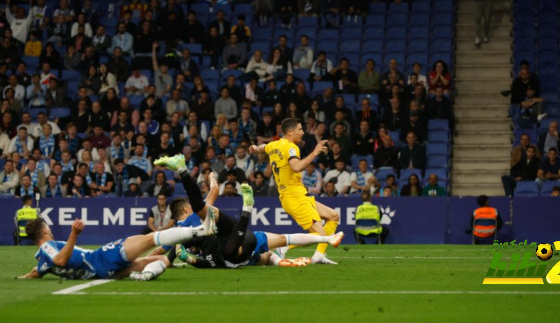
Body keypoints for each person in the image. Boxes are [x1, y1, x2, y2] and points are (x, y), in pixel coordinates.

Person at [153, 157, 344, 268]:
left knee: (261, 254)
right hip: (234, 234)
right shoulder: (198, 212)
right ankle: (323, 240)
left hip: (229, 250)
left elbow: (161, 250)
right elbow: (214, 192)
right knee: (283, 239)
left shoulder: (179, 233)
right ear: (185, 209)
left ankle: (280, 257)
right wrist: (212, 178)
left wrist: (143, 260)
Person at [17, 202, 217, 280]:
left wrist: (21, 278)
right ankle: (200, 231)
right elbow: (60, 260)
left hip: (102, 272)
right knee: (150, 239)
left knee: (163, 261)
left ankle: (146, 275)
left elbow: (36, 272)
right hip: (101, 259)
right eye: (47, 226)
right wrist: (74, 235)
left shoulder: (42, 261)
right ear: (44, 229)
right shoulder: (47, 247)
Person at [249, 118, 341, 264]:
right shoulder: (291, 148)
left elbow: (263, 147)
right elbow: (296, 167)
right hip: (294, 196)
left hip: (296, 195)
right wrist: (315, 152)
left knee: (333, 216)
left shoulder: (274, 145)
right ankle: (314, 254)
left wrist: (255, 147)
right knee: (320, 233)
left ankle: (298, 250)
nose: (303, 132)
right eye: (300, 129)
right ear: (290, 132)